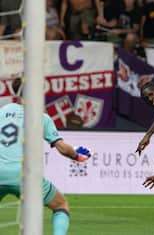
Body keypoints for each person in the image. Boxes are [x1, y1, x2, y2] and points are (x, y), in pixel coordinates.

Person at [0, 78, 92, 235]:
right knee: (61, 205)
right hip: (23, 175)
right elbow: (62, 148)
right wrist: (76, 156)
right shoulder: (41, 118)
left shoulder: (2, 110)